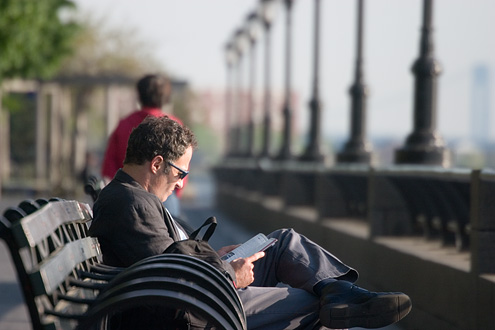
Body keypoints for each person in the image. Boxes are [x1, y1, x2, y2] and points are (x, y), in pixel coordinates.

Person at [90, 116, 412, 330]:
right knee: (309, 304)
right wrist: (231, 273)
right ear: (157, 163)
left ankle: (340, 290)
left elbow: (171, 264)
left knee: (283, 241)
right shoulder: (131, 204)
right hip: (205, 305)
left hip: (206, 289)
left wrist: (219, 258)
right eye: (181, 173)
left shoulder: (133, 199)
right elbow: (170, 284)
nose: (180, 184)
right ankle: (338, 300)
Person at [100, 74, 183, 218]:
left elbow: (109, 165)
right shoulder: (175, 126)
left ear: (139, 96)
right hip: (166, 197)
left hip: (127, 197)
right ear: (166, 97)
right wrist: (175, 190)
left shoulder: (124, 124)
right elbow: (181, 167)